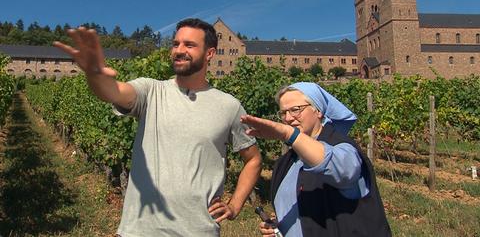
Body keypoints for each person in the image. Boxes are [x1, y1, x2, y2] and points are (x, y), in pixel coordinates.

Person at [53, 18, 262, 236]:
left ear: (209, 53)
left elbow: (253, 159)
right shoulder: (151, 90)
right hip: (139, 230)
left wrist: (235, 204)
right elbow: (113, 92)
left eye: (189, 45)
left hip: (198, 230)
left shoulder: (229, 106)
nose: (179, 50)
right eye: (175, 44)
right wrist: (94, 73)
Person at [240, 82, 391, 237]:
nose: (288, 118)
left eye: (295, 110)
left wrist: (288, 134)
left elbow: (339, 168)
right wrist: (280, 227)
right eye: (283, 113)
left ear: (318, 111)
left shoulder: (344, 148)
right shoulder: (285, 163)